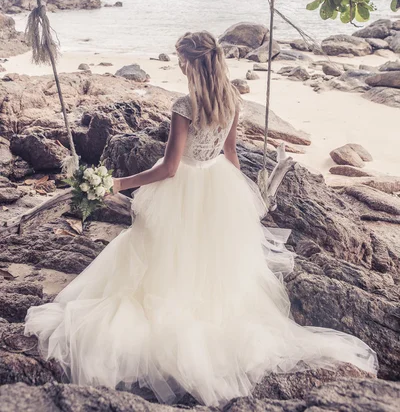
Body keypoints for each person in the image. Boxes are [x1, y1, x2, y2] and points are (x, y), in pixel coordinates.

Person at [24, 30, 378, 407]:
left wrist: (118, 183)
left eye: (181, 59)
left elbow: (171, 168)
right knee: (209, 261)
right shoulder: (231, 100)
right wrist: (239, 197)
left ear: (192, 62)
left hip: (182, 188)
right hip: (217, 184)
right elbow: (230, 156)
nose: (178, 65)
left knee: (156, 257)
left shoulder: (184, 105)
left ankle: (168, 331)